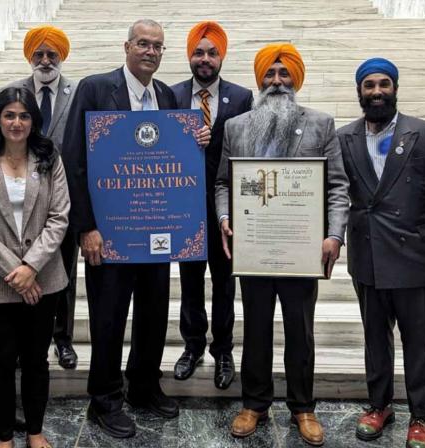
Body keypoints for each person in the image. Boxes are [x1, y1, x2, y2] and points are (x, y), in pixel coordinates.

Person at [60, 18, 209, 439]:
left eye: (157, 47)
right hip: (109, 235)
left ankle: (143, 384)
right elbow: (74, 163)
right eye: (142, 44)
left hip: (157, 231)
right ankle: (104, 398)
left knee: (153, 313)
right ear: (126, 47)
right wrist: (85, 228)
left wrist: (197, 139)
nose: (150, 52)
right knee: (108, 317)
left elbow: (176, 158)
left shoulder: (166, 94)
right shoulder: (95, 88)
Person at [214, 43, 350, 447]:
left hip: (301, 247)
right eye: (270, 75)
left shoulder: (321, 124)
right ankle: (253, 403)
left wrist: (334, 234)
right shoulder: (236, 126)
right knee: (255, 327)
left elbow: (337, 186)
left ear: (296, 79)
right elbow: (223, 181)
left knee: (300, 329)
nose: (276, 81)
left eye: (284, 74)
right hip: (254, 245)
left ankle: (302, 407)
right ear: (259, 80)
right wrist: (224, 218)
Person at [336, 58, 425, 448]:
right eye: (369, 85)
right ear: (359, 91)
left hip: (416, 257)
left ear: (395, 88)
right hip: (367, 255)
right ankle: (379, 405)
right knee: (375, 337)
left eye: (383, 84)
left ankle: (421, 415)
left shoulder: (424, 133)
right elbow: (335, 193)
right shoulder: (344, 137)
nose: (376, 92)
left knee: (418, 340)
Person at [0, 87, 70, 448]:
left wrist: (32, 266)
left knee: (37, 361)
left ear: (33, 122)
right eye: (9, 114)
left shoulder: (49, 160)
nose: (17, 122)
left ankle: (35, 431)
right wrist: (18, 271)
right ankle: (5, 436)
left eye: (24, 115)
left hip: (45, 280)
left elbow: (59, 217)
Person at [169, 20, 253, 389]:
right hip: (184, 206)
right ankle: (192, 346)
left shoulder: (242, 96)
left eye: (212, 52)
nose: (205, 59)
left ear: (222, 56)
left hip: (226, 210)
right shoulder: (169, 94)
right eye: (199, 52)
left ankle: (223, 350)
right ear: (189, 55)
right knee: (189, 281)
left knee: (223, 282)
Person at [6, 26, 79, 369]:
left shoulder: (77, 91)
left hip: (64, 200)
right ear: (30, 57)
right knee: (25, 268)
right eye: (40, 55)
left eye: (52, 54)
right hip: (22, 200)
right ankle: (25, 341)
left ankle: (62, 340)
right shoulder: (17, 93)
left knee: (63, 273)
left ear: (62, 56)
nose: (46, 61)